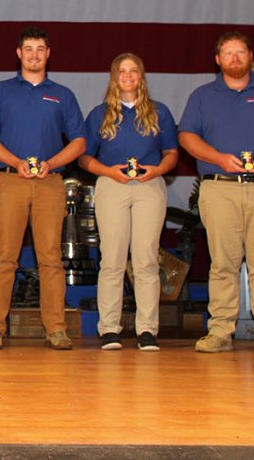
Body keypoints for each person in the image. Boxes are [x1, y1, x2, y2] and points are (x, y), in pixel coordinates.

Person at [179, 32, 254, 356]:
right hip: (219, 189)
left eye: (240, 52)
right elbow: (187, 136)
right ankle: (220, 330)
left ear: (250, 56)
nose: (235, 58)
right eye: (228, 53)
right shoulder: (203, 96)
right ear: (217, 59)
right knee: (222, 264)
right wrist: (217, 157)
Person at [0, 27, 85, 350]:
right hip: (11, 180)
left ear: (48, 54)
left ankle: (56, 329)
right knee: (5, 257)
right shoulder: (0, 91)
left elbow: (79, 140)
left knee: (51, 258)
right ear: (18, 53)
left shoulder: (63, 94)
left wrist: (52, 162)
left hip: (50, 182)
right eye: (28, 49)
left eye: (40, 49)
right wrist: (15, 161)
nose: (34, 54)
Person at [78, 53, 178, 351]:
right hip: (112, 185)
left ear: (142, 76)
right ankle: (110, 328)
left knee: (146, 260)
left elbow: (172, 152)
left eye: (134, 71)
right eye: (122, 71)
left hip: (149, 185)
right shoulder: (100, 113)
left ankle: (147, 330)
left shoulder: (160, 112)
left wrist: (158, 169)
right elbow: (84, 157)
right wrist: (108, 171)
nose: (128, 76)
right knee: (112, 260)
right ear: (114, 76)